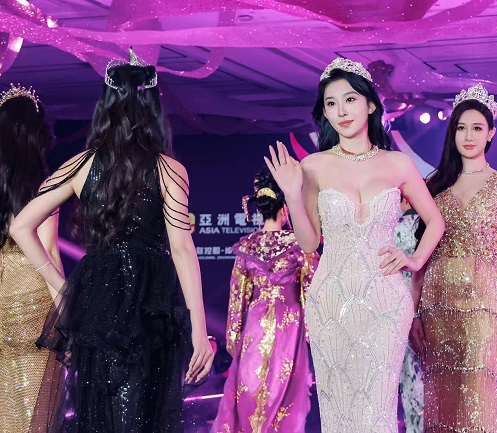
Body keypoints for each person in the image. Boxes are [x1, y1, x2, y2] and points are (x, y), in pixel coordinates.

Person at [10, 48, 214, 432]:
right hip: (151, 302)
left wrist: (63, 287)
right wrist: (199, 330)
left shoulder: (81, 164)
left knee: (100, 413)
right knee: (144, 414)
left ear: (105, 105)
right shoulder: (169, 169)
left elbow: (22, 226)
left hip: (98, 302)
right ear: (152, 108)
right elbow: (182, 248)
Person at [264, 57, 445, 433]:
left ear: (371, 105)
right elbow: (310, 243)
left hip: (385, 300)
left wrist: (414, 259)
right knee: (340, 408)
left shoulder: (397, 163)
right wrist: (293, 195)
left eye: (349, 100)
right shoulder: (314, 165)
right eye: (331, 103)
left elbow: (436, 222)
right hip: (332, 301)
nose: (341, 111)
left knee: (378, 407)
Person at [410, 83, 497, 433]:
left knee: (477, 393)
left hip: (485, 298)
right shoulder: (434, 184)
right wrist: (413, 312)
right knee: (441, 396)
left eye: (477, 128)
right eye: (461, 128)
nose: (469, 136)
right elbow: (423, 252)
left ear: (491, 133)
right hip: (437, 300)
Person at [212, 167, 318, 433]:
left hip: (255, 327)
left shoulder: (247, 247)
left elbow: (237, 299)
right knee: (284, 393)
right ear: (285, 208)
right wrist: (313, 335)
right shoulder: (300, 244)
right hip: (289, 326)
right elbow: (312, 290)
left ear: (258, 209)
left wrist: (234, 340)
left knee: (251, 388)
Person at [0, 84, 65, 432]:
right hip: (34, 300)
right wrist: (66, 309)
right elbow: (49, 250)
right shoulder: (44, 185)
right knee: (36, 409)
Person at [395, 196, 424, 433]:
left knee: (411, 378)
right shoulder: (427, 223)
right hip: (424, 303)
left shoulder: (395, 226)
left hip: (403, 306)